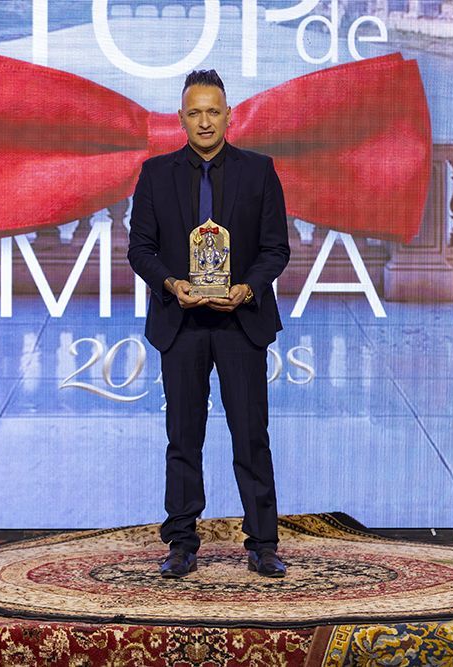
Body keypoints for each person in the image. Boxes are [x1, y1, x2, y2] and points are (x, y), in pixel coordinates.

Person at [126, 69, 291, 579]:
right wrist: (171, 283)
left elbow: (276, 250)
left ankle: (263, 543)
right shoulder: (155, 174)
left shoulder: (259, 171)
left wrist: (247, 288)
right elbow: (140, 250)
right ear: (180, 118)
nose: (204, 121)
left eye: (213, 111)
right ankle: (181, 542)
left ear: (228, 116)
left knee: (251, 435)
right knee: (183, 437)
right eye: (195, 112)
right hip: (181, 322)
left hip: (241, 322)